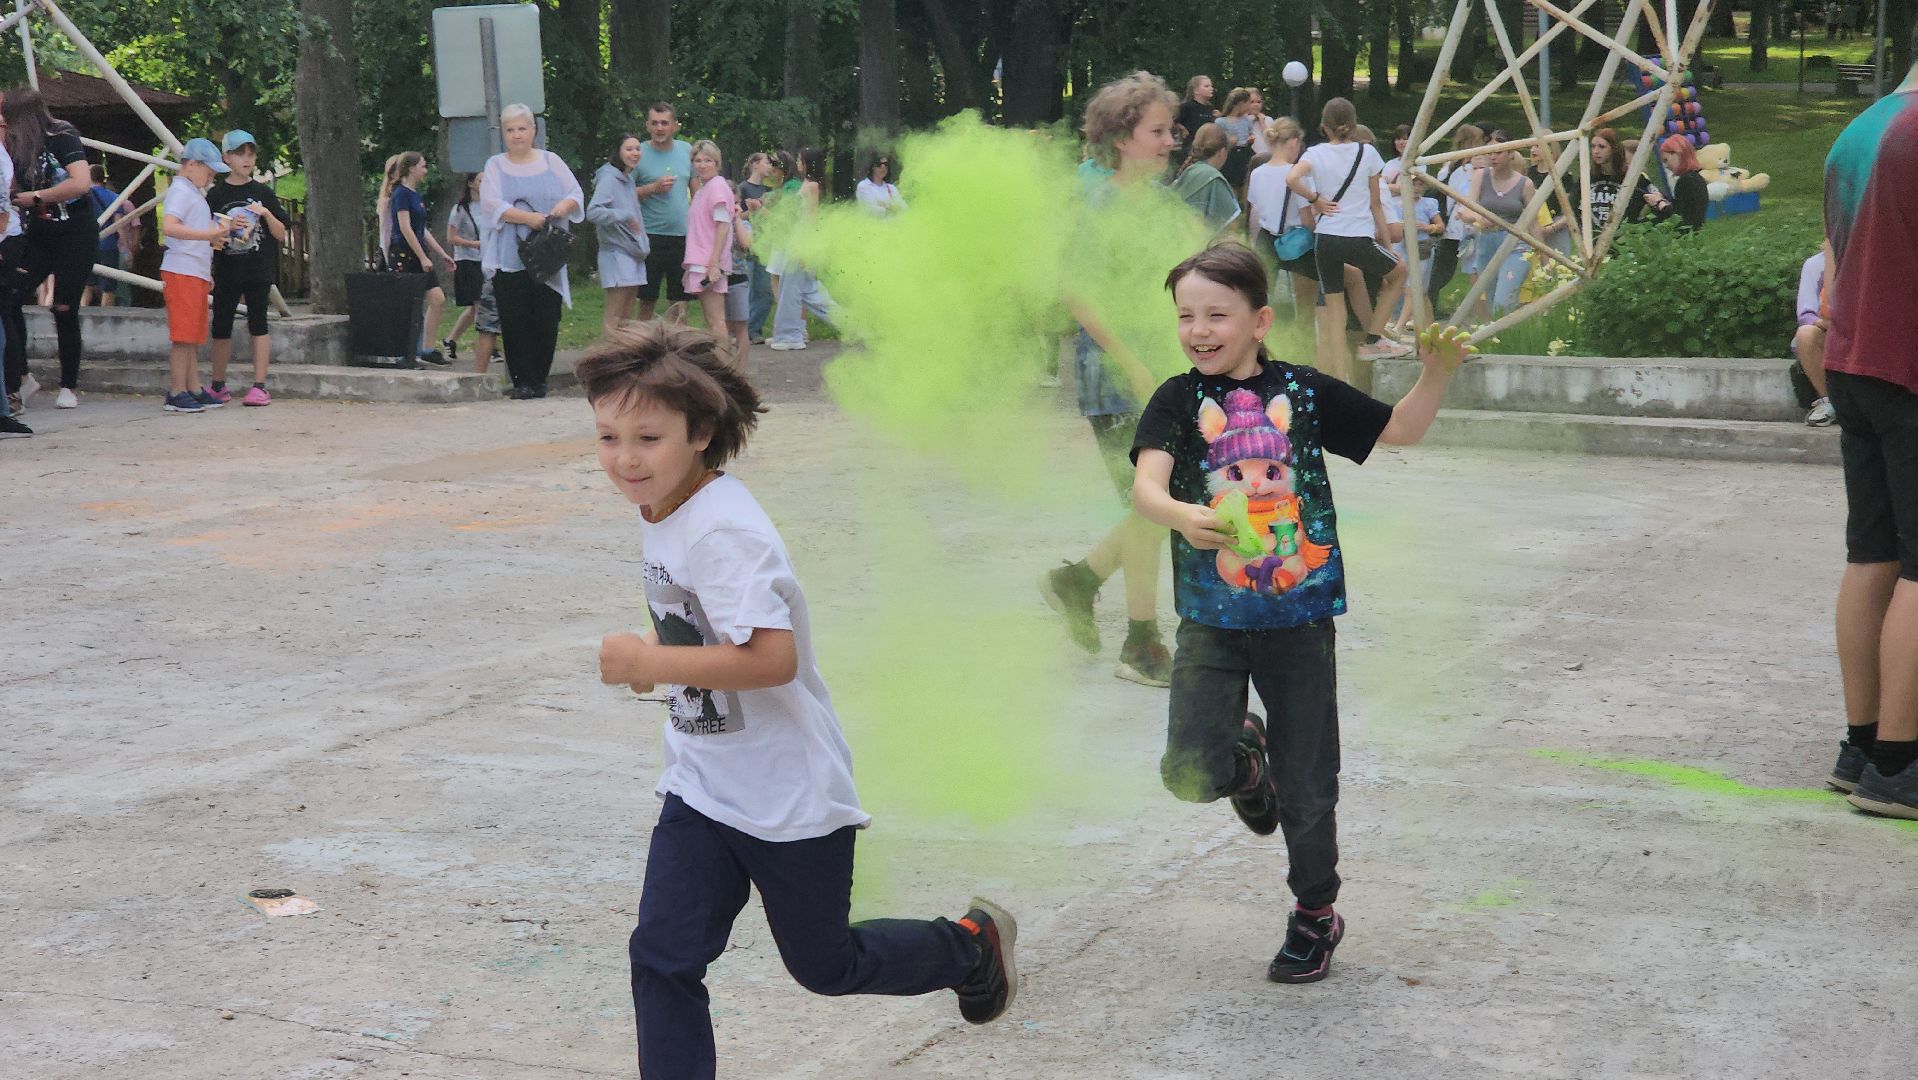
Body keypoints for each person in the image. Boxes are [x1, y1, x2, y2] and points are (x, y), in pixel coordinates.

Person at [582, 322, 1018, 1078]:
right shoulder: (664, 504)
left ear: (701, 432)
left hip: (786, 794)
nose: (625, 459)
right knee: (663, 956)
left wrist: (653, 658)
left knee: (826, 964)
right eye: (608, 436)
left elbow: (773, 659)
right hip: (702, 783)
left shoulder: (724, 531)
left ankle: (969, 946)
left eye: (647, 437)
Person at [1130, 243, 1472, 984]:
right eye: (1186, 315)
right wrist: (1182, 516)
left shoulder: (1307, 394)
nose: (1198, 329)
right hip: (1212, 621)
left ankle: (1316, 912)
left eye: (1215, 314)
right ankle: (1244, 763)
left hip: (1299, 622)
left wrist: (1436, 372)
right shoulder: (1176, 399)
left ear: (1257, 321)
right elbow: (1147, 487)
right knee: (1190, 773)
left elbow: (1402, 432)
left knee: (1310, 782)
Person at [1040, 70, 1182, 688]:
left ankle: (1081, 581)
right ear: (1123, 138)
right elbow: (1075, 293)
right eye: (1157, 131)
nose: (1170, 140)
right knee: (1150, 510)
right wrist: (1131, 362)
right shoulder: (1098, 203)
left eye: (1170, 129)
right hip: (1116, 379)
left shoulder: (1160, 205)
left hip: (1161, 375)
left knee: (1155, 508)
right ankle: (1142, 644)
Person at [1821, 61, 1918, 817]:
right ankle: (1899, 765)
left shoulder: (1858, 130)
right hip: (1908, 364)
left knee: (1872, 552)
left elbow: (1834, 259)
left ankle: (1860, 747)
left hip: (1851, 359)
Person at [1286, 97, 1410, 381]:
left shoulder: (1315, 153)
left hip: (1326, 238)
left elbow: (1292, 178)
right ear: (1353, 125)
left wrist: (1317, 200)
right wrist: (1389, 249)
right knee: (1399, 273)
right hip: (1356, 236)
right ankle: (1373, 339)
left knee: (1335, 307)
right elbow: (1376, 204)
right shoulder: (1367, 154)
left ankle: (1339, 376)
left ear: (1323, 127)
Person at [3, 88, 100, 411]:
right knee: (12, 296)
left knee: (64, 306)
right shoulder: (14, 146)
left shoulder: (62, 135)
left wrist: (37, 198)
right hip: (40, 235)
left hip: (76, 233)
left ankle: (69, 384)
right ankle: (23, 374)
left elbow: (80, 183)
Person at [479, 102, 584, 399]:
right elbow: (492, 205)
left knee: (546, 317)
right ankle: (522, 380)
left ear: (533, 130)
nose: (516, 135)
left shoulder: (552, 161)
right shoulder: (495, 165)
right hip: (510, 256)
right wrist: (528, 218)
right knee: (515, 320)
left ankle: (540, 378)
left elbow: (576, 193)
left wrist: (563, 206)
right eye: (510, 130)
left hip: (547, 255)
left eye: (522, 128)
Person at [205, 130, 289, 407]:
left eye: (251, 154)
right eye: (240, 154)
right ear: (226, 158)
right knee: (221, 325)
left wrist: (266, 214)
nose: (247, 159)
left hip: (257, 268)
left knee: (259, 323)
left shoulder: (263, 192)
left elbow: (281, 233)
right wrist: (226, 229)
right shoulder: (216, 194)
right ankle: (218, 384)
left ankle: (260, 385)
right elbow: (209, 237)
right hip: (227, 268)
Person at [158, 138, 238, 414]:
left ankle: (192, 387)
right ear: (192, 165)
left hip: (194, 270)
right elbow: (169, 227)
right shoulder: (181, 191)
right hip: (182, 270)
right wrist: (209, 235)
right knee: (183, 335)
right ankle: (177, 389)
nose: (211, 178)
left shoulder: (192, 192)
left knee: (191, 333)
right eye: (209, 172)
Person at [382, 151, 456, 366]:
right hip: (405, 256)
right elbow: (405, 227)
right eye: (423, 166)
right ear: (411, 168)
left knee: (437, 299)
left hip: (419, 255)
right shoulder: (401, 194)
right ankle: (404, 352)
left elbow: (421, 229)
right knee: (408, 305)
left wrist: (442, 254)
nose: (425, 170)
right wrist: (422, 256)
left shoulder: (415, 195)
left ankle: (427, 348)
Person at [1461, 130, 1538, 318]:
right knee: (1491, 299)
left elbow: (1534, 224)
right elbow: (1466, 210)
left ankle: (1505, 339)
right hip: (1487, 242)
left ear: (1511, 153)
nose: (1493, 157)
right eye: (1490, 152)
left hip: (1515, 244)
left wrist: (1545, 260)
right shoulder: (1481, 176)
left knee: (1503, 301)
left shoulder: (1525, 184)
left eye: (1498, 152)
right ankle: (1496, 340)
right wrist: (1478, 218)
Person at [767, 147, 835, 352]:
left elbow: (811, 219)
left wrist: (806, 248)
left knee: (792, 290)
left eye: (799, 160)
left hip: (801, 244)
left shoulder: (812, 186)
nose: (797, 163)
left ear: (807, 163)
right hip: (794, 241)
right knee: (810, 293)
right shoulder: (806, 184)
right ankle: (854, 326)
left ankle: (790, 335)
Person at [633, 102, 692, 323]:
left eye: (664, 123)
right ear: (647, 125)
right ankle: (642, 350)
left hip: (682, 236)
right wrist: (652, 188)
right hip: (649, 236)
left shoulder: (686, 150)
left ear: (675, 126)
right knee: (647, 299)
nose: (659, 128)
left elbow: (696, 190)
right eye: (654, 123)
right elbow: (624, 195)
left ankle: (678, 349)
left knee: (680, 301)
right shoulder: (637, 152)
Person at [589, 132, 650, 336]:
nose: (634, 153)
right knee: (614, 316)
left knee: (626, 316)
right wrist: (623, 215)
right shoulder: (608, 178)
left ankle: (622, 360)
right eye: (629, 149)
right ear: (618, 151)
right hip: (616, 252)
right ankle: (605, 362)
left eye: (637, 149)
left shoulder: (628, 178)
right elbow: (593, 211)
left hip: (634, 251)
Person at [682, 140, 738, 360]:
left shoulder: (717, 187)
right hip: (700, 261)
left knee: (716, 320)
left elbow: (723, 226)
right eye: (697, 160)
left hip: (709, 263)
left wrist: (714, 263)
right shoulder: (702, 191)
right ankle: (720, 364)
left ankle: (724, 367)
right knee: (711, 319)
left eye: (707, 160)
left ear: (717, 163)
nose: (702, 165)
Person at [1426, 124, 1483, 310]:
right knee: (1444, 269)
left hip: (1456, 223)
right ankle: (1427, 306)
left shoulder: (1449, 165)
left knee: (1445, 267)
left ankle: (1429, 305)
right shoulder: (1463, 169)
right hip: (1458, 224)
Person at [736, 153, 777, 343]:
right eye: (766, 162)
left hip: (767, 244)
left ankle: (753, 330)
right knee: (750, 289)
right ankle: (747, 331)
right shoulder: (743, 188)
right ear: (754, 165)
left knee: (764, 291)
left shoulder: (770, 190)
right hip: (749, 245)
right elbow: (736, 216)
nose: (770, 166)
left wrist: (762, 208)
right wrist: (752, 209)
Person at [1792, 251, 1835, 427]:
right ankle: (1829, 402)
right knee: (1805, 334)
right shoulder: (1815, 264)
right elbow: (1806, 314)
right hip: (1829, 332)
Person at [1172, 123, 1239, 234]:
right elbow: (1231, 223)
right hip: (1201, 242)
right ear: (1222, 152)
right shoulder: (1213, 177)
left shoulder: (1190, 170)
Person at [84, 165, 135, 307]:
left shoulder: (83, 197)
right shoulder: (114, 198)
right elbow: (119, 225)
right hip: (108, 246)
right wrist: (125, 249)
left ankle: (81, 317)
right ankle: (105, 318)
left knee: (87, 286)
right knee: (108, 287)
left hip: (88, 245)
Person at [1645, 135, 1708, 233]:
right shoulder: (1695, 178)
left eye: (1666, 160)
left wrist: (1659, 203)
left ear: (1678, 154)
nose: (1666, 166)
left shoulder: (1686, 181)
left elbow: (1679, 217)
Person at [1213, 87, 1261, 192]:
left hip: (1245, 153)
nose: (1250, 106)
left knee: (1246, 182)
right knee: (1231, 184)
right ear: (1240, 104)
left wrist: (1250, 139)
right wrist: (1228, 142)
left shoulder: (1246, 120)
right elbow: (1217, 141)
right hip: (1230, 155)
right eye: (1248, 103)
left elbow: (1249, 133)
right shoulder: (1221, 122)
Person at [1176, 75, 1218, 155]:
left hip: (1207, 146)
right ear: (1196, 90)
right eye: (1207, 86)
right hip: (1191, 147)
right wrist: (1182, 128)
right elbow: (1173, 121)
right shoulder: (1187, 106)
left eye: (1211, 86)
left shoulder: (1209, 107)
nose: (1211, 88)